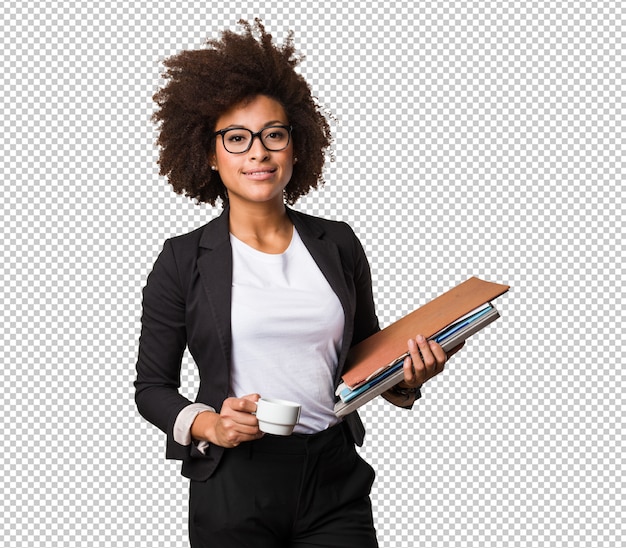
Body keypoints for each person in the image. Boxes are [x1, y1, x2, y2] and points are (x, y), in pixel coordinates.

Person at [134, 19, 460, 548]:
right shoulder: (182, 259)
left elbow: (364, 360)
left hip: (334, 476)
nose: (258, 152)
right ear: (209, 154)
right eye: (236, 139)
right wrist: (208, 425)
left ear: (295, 145)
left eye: (274, 135)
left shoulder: (339, 244)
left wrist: (408, 378)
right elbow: (151, 389)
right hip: (236, 482)